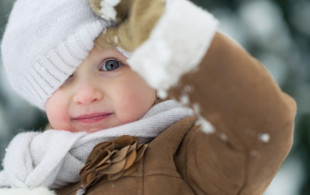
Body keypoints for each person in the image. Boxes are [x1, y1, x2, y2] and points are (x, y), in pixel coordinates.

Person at [0, 0, 296, 194]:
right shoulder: (29, 174)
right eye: (63, 76)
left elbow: (260, 128)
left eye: (111, 65)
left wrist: (168, 33)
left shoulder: (186, 154)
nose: (87, 94)